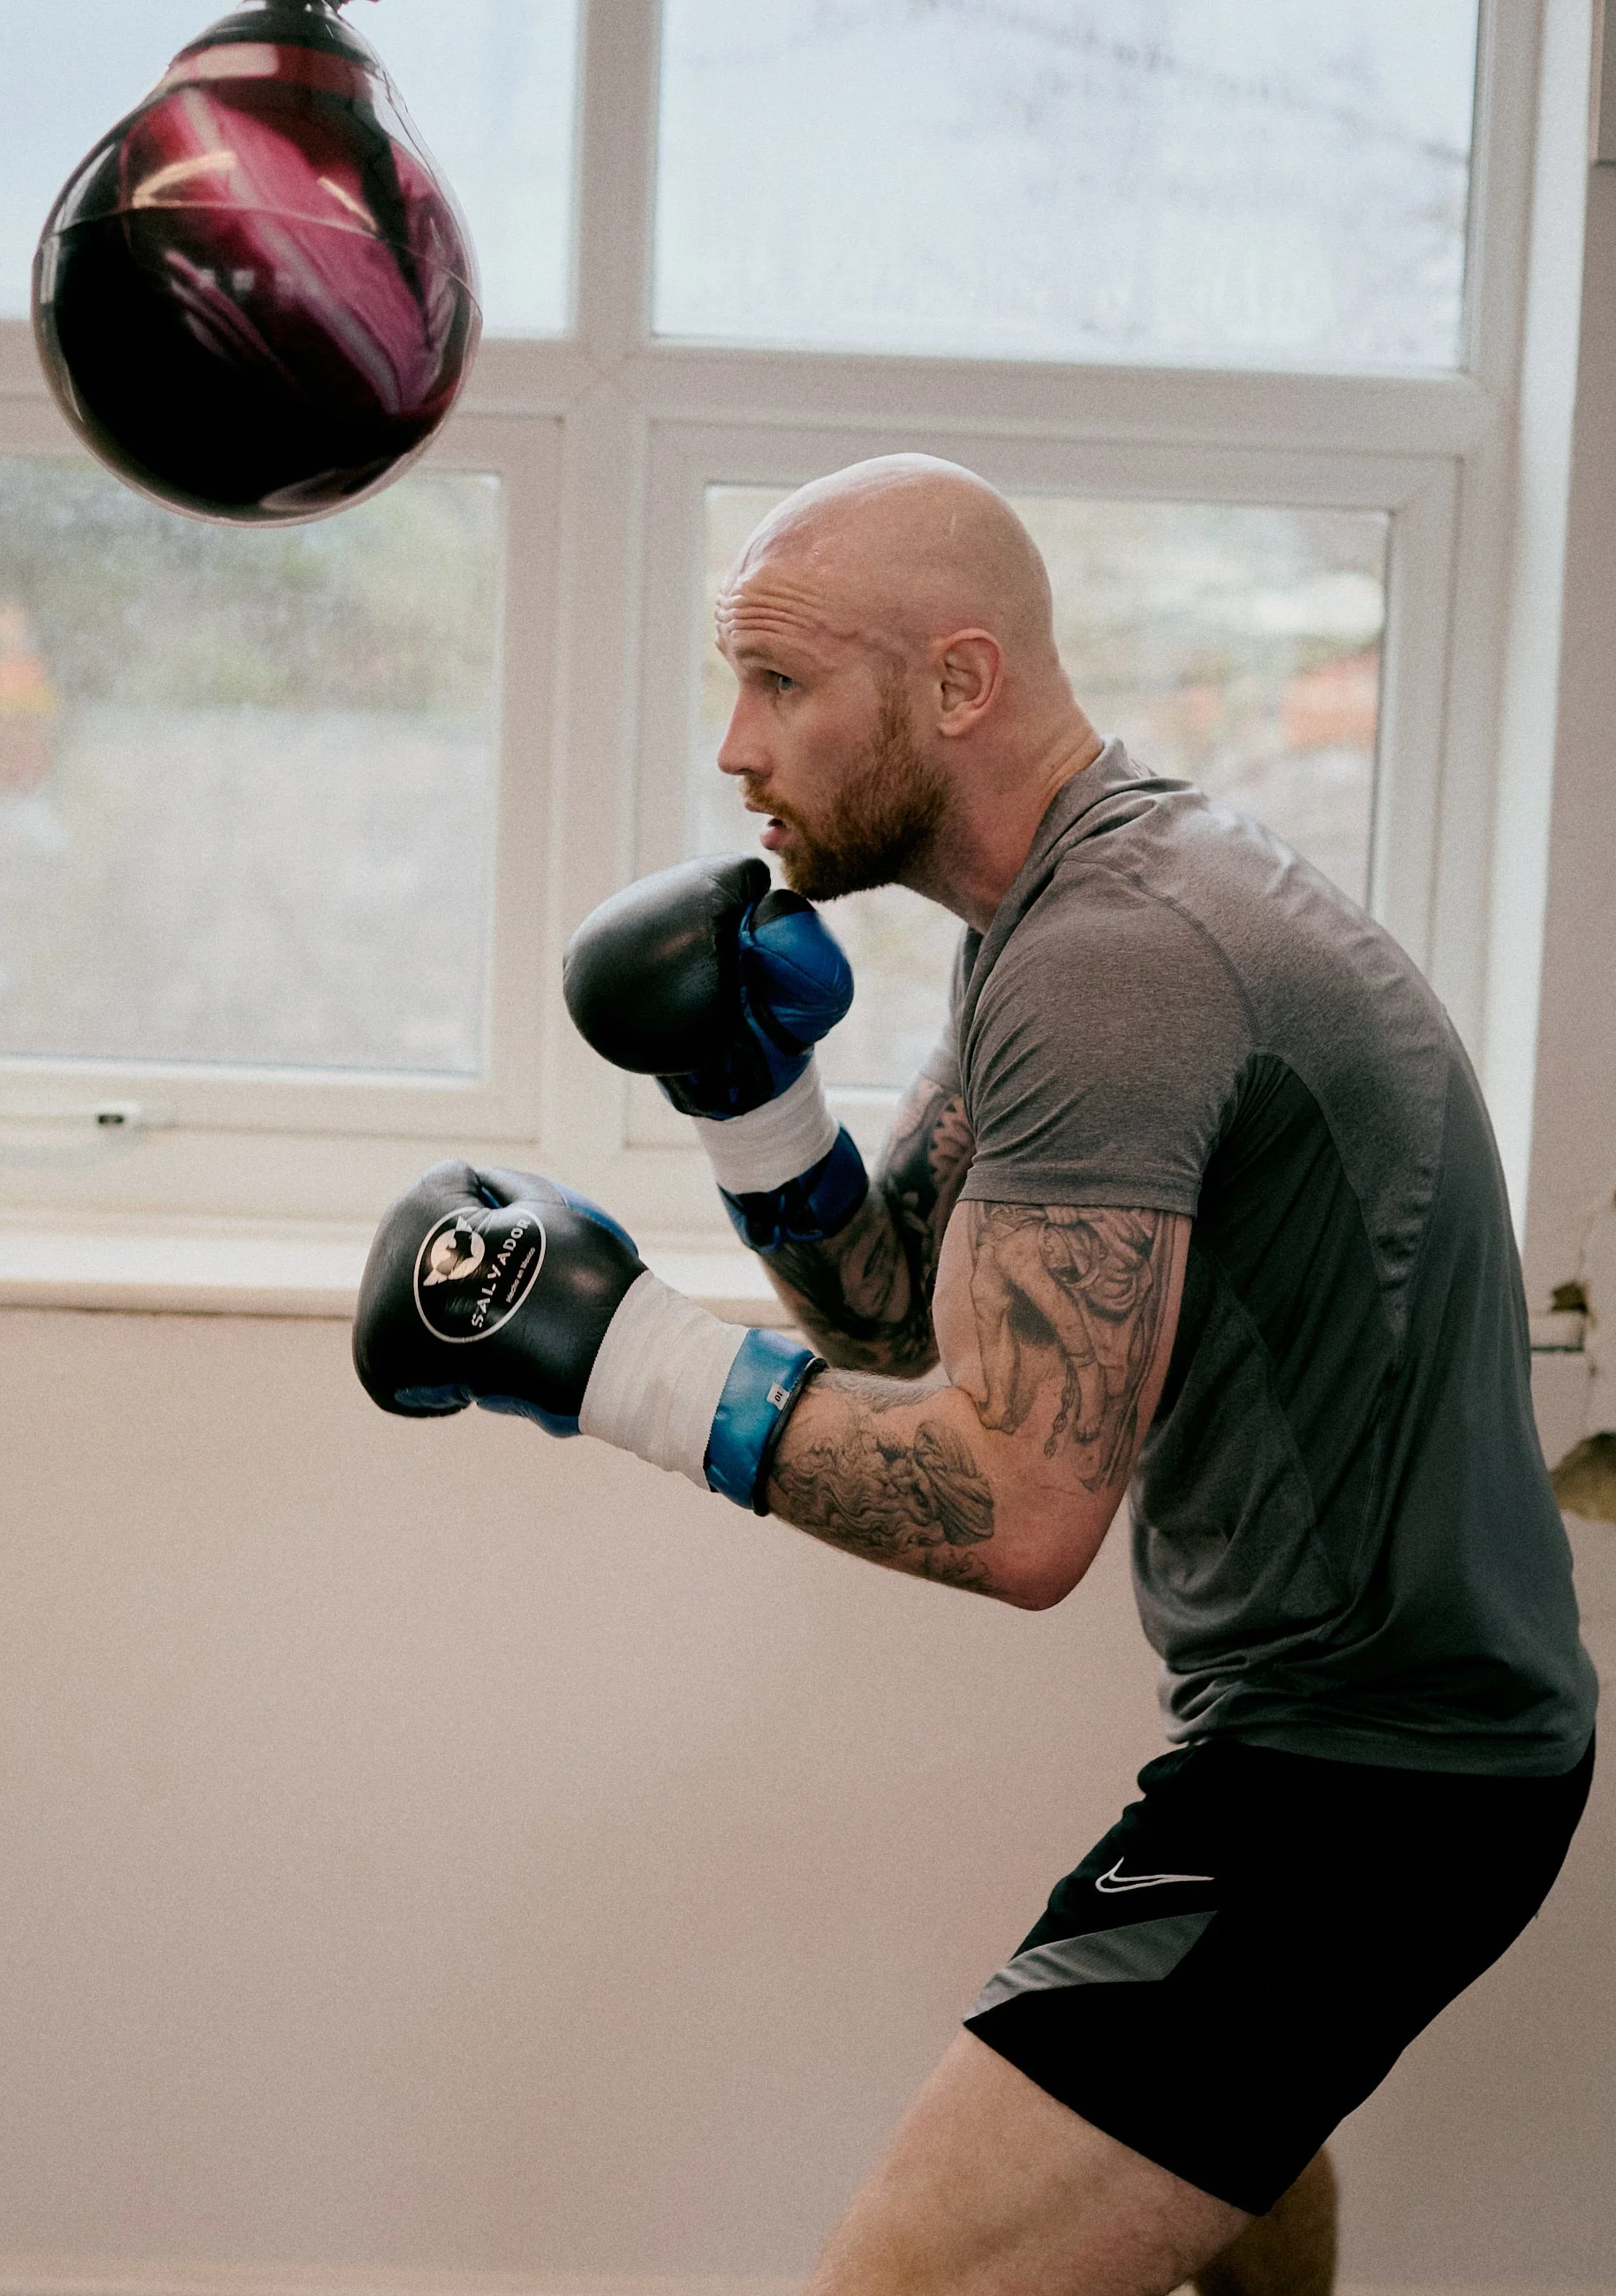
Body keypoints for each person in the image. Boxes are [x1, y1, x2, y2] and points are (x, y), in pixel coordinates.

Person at [354, 456, 1597, 2296]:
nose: (732, 746)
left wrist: (620, 1360)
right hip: (1372, 1729)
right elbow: (902, 1318)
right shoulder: (1070, 913)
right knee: (1219, 2156)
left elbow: (1019, 1512)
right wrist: (748, 1099)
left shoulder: (1111, 965)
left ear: (954, 684)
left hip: (1376, 1773)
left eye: (779, 682)